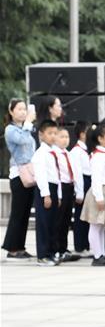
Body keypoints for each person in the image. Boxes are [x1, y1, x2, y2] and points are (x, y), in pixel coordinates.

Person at [81, 123, 105, 266]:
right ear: (100, 138)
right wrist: (99, 197)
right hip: (101, 192)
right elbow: (96, 179)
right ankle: (97, 256)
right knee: (96, 225)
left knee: (101, 226)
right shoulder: (98, 156)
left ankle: (102, 253)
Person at [3, 98, 37, 259]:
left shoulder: (26, 128)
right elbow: (22, 140)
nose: (23, 112)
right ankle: (12, 248)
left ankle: (20, 247)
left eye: (25, 109)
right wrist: (29, 123)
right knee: (18, 212)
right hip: (18, 174)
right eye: (19, 109)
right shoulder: (11, 130)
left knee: (25, 212)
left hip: (29, 172)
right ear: (11, 111)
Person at [31, 120, 61, 266]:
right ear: (41, 135)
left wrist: (59, 195)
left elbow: (57, 175)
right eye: (49, 133)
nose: (53, 136)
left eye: (55, 133)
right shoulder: (40, 153)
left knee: (52, 223)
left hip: (54, 188)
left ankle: (50, 253)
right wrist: (46, 194)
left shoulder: (52, 151)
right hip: (45, 189)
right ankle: (42, 255)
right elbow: (41, 175)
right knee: (44, 223)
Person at [51, 126, 82, 262]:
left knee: (66, 220)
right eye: (62, 136)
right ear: (55, 138)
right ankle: (56, 248)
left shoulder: (68, 154)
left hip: (70, 187)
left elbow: (75, 172)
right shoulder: (54, 153)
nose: (65, 140)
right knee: (57, 220)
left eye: (67, 137)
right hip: (60, 187)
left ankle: (63, 249)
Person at [70, 121, 92, 253]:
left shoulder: (87, 149)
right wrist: (79, 192)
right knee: (80, 217)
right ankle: (80, 245)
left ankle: (86, 244)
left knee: (88, 216)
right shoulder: (76, 151)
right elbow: (77, 173)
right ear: (82, 134)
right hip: (83, 183)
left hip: (89, 182)